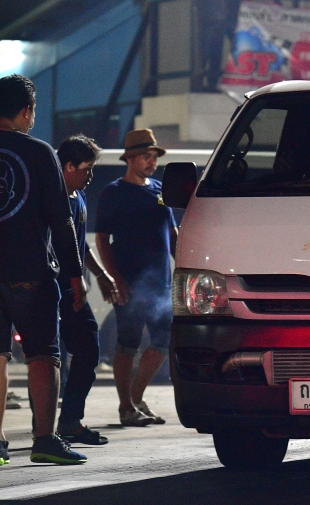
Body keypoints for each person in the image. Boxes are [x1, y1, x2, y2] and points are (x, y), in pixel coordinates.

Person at [0, 74, 88, 465]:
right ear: (26, 110)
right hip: (30, 272)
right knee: (43, 355)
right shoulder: (38, 153)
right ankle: (44, 440)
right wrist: (75, 273)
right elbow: (61, 219)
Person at [95, 129, 178, 427]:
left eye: (154, 157)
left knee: (163, 341)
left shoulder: (159, 190)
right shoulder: (114, 192)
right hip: (130, 282)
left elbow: (172, 233)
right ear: (130, 159)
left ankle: (136, 397)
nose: (152, 162)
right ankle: (125, 406)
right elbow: (102, 240)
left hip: (161, 285)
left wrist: (183, 264)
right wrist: (115, 278)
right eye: (146, 156)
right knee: (127, 342)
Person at [54, 135, 120, 445]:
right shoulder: (52, 199)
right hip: (53, 291)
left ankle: (69, 421)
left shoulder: (78, 197)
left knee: (88, 350)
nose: (90, 176)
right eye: (87, 168)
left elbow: (80, 247)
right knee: (49, 358)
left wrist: (101, 275)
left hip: (74, 290)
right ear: (68, 166)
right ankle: (48, 427)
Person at [185, 0, 229, 91]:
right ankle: (198, 83)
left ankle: (212, 84)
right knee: (203, 52)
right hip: (204, 20)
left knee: (216, 53)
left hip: (219, 19)